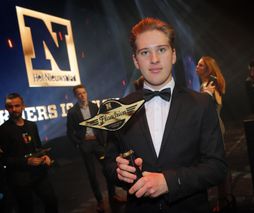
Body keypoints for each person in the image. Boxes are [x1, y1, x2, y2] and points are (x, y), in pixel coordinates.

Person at [104, 17, 227, 213]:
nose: (154, 60)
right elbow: (109, 164)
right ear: (135, 60)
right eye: (145, 52)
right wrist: (119, 172)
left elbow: (217, 167)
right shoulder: (118, 109)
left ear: (173, 54)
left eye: (161, 49)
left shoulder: (202, 103)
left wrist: (170, 182)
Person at [0, 93, 58, 213]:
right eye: (10, 107)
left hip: (39, 173)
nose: (14, 109)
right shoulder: (3, 130)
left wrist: (45, 156)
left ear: (23, 106)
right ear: (6, 108)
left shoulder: (32, 125)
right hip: (19, 178)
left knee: (52, 202)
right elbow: (3, 159)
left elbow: (38, 148)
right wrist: (26, 161)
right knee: (26, 209)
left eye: (17, 106)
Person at [66, 84, 120, 212]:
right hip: (85, 145)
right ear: (76, 96)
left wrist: (104, 141)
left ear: (86, 93)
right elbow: (69, 132)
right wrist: (79, 144)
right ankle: (100, 201)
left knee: (108, 169)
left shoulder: (94, 106)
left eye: (84, 92)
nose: (82, 95)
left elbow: (102, 124)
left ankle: (113, 195)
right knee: (92, 175)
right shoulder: (73, 112)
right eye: (79, 93)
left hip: (98, 143)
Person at [196, 56, 235, 213]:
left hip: (215, 127)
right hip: (212, 127)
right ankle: (224, 198)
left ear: (208, 68)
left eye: (200, 65)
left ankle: (224, 199)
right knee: (217, 163)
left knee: (220, 164)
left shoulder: (212, 83)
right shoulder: (206, 84)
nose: (196, 67)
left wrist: (205, 95)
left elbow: (217, 103)